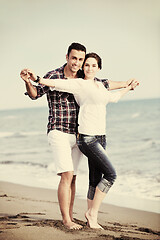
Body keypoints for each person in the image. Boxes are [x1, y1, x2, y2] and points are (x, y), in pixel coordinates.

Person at [20, 43, 137, 229]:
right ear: (67, 57)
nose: (77, 63)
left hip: (77, 133)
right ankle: (66, 220)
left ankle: (72, 216)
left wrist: (126, 84)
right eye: (74, 58)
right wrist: (30, 80)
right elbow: (35, 94)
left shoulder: (84, 77)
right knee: (66, 175)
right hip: (58, 130)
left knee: (73, 177)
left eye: (81, 60)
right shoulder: (54, 75)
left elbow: (105, 85)